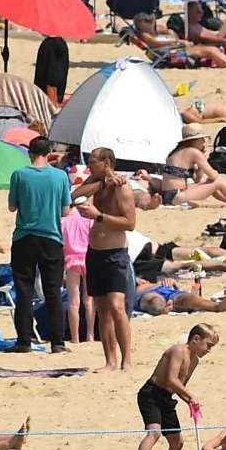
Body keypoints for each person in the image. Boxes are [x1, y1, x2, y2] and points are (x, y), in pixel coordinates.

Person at [128, 324, 218, 450]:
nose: (209, 350)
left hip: (166, 398)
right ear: (196, 339)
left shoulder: (194, 361)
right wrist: (191, 395)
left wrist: (190, 401)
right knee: (154, 432)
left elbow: (179, 387)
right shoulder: (178, 350)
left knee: (177, 441)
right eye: (208, 345)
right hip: (151, 394)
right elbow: (171, 379)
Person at [7, 134, 69, 353]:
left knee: (24, 291)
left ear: (30, 153)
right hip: (51, 237)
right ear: (48, 153)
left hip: (24, 238)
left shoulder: (19, 175)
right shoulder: (60, 176)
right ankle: (58, 342)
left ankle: (24, 341)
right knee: (53, 291)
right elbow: (65, 210)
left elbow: (12, 207)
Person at [81, 146, 138, 372]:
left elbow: (130, 223)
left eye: (93, 161)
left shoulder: (123, 189)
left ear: (107, 162)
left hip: (115, 253)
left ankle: (127, 360)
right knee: (102, 309)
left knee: (117, 306)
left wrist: (100, 216)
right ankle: (110, 361)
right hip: (94, 253)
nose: (88, 165)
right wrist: (102, 183)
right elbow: (73, 195)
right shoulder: (97, 185)